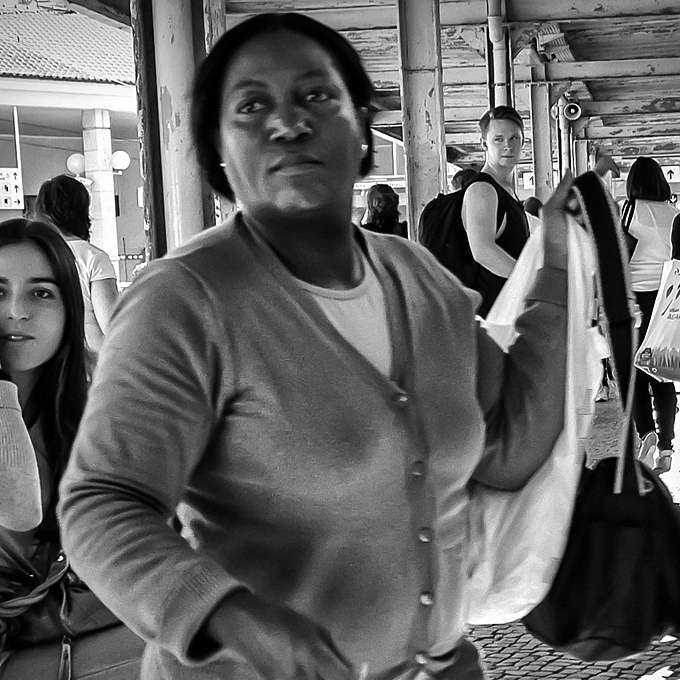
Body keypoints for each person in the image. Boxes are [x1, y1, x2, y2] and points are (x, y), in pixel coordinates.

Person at [58, 13, 571, 680]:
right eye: (251, 105)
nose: (288, 122)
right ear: (217, 148)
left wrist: (559, 271)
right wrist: (230, 616)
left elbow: (508, 447)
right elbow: (104, 501)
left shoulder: (421, 282)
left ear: (362, 130)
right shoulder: (185, 301)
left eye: (317, 95)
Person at [0, 218, 143, 678]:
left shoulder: (100, 399)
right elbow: (20, 511)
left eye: (41, 293)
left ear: (69, 309)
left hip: (75, 620)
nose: (16, 312)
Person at [621, 157, 680, 474]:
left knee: (634, 374)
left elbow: (616, 258)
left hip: (634, 302)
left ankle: (647, 434)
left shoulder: (629, 210)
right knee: (663, 373)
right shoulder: (674, 213)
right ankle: (667, 448)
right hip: (666, 303)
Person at [35, 175, 119, 353]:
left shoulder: (33, 256)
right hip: (89, 361)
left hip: (45, 359)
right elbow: (112, 326)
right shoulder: (93, 258)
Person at [461, 106, 530, 317]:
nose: (508, 145)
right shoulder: (482, 189)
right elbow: (483, 251)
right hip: (489, 315)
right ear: (484, 144)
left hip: (506, 311)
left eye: (514, 138)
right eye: (498, 139)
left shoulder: (506, 190)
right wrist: (533, 283)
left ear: (523, 142)